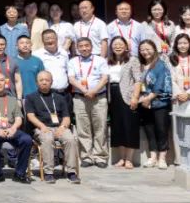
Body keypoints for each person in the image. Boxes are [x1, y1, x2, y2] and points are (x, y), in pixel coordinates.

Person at [24, 70, 80, 183]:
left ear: (51, 82)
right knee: (47, 139)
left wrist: (62, 127)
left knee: (70, 139)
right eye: (41, 80)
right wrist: (42, 126)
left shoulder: (59, 97)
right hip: (42, 128)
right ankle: (48, 172)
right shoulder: (30, 97)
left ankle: (71, 172)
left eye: (47, 80)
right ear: (37, 82)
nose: (44, 82)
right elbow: (30, 116)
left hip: (59, 127)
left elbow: (66, 117)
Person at [68, 35, 109, 167]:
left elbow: (104, 78)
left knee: (100, 127)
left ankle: (100, 156)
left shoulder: (100, 60)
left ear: (91, 47)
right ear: (77, 48)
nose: (84, 48)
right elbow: (71, 79)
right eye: (81, 46)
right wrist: (84, 90)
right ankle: (86, 156)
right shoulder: (73, 61)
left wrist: (94, 91)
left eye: (87, 46)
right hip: (80, 98)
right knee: (83, 128)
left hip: (99, 97)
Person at [137, 39, 173, 169]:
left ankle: (162, 158)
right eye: (142, 49)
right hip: (144, 103)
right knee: (149, 129)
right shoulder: (140, 65)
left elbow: (160, 84)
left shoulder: (160, 64)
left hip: (159, 102)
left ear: (154, 49)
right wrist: (141, 99)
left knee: (161, 130)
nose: (145, 52)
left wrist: (149, 98)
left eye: (148, 49)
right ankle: (152, 157)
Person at [106, 35, 141, 169]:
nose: (118, 47)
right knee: (117, 127)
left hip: (127, 95)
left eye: (121, 44)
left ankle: (129, 159)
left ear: (126, 47)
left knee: (129, 126)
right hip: (113, 95)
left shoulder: (133, 60)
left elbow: (138, 80)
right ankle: (121, 158)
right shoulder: (109, 61)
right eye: (115, 44)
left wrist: (135, 97)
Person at [170, 34, 190, 108]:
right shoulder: (171, 61)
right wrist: (178, 93)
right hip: (177, 98)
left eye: (185, 43)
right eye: (180, 43)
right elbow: (171, 80)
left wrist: (188, 94)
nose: (182, 46)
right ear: (176, 45)